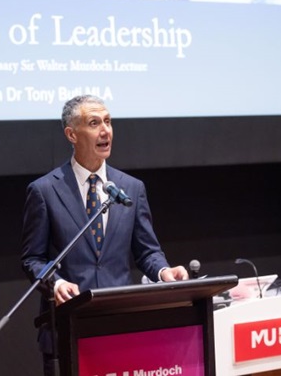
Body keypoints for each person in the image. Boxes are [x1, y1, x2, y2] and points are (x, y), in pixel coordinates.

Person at [21, 94, 189, 376]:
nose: (105, 131)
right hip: (67, 326)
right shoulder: (45, 191)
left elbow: (147, 250)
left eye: (109, 122)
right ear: (71, 134)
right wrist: (56, 282)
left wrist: (163, 272)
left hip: (119, 327)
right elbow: (33, 258)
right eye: (94, 123)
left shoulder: (131, 188)